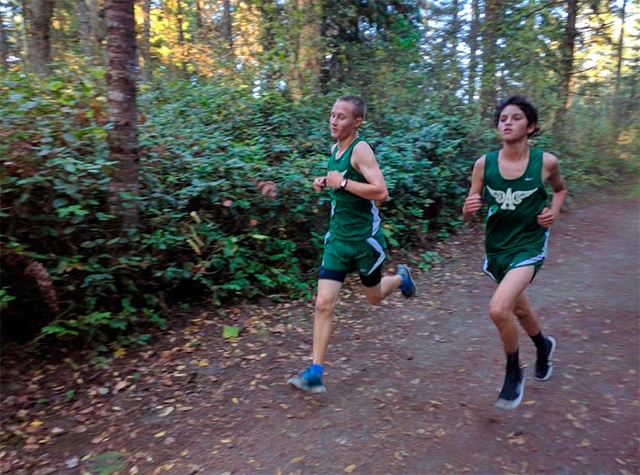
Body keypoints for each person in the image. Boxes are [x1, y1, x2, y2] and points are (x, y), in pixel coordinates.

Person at [287, 95, 417, 393]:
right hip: (337, 240)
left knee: (372, 298)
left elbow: (381, 192)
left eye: (341, 116)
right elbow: (340, 182)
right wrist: (325, 181)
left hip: (364, 242)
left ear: (357, 122)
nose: (333, 121)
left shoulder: (361, 150)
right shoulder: (335, 149)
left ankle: (401, 278)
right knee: (322, 304)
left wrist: (342, 183)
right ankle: (315, 372)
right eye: (332, 115)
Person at [462, 95, 568, 409]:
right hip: (497, 249)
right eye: (503, 118)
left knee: (498, 309)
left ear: (531, 126)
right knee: (519, 310)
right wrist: (469, 208)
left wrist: (555, 210)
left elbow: (560, 190)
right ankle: (543, 347)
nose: (507, 122)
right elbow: (472, 204)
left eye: (516, 117)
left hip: (529, 245)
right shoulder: (484, 164)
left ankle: (513, 371)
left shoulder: (545, 162)